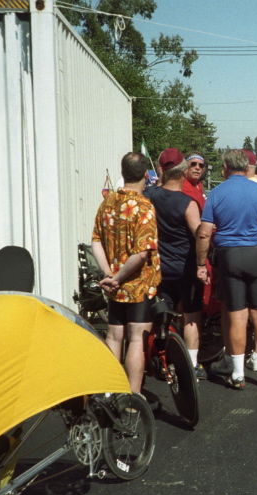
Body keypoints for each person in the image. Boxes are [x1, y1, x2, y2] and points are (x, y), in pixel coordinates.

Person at [196, 150, 257, 390]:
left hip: (230, 256)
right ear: (247, 168)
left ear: (225, 167)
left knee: (237, 315)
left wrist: (201, 263)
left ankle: (237, 374)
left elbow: (204, 233)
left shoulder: (216, 193)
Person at [91, 152, 161, 393]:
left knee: (113, 336)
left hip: (113, 284)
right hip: (138, 284)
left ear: (122, 173)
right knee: (136, 340)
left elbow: (96, 241)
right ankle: (132, 397)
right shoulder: (143, 206)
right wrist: (118, 277)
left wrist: (108, 274)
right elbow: (142, 253)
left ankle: (111, 390)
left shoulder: (107, 202)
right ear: (145, 174)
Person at [144, 148, 205, 379]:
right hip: (185, 269)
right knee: (191, 317)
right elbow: (199, 235)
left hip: (158, 268)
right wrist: (202, 264)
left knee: (155, 317)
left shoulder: (148, 197)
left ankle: (151, 358)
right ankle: (191, 366)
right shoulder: (188, 204)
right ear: (182, 172)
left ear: (161, 171)